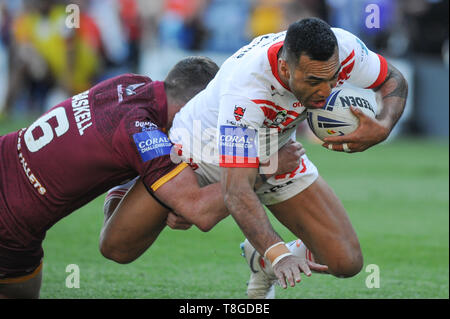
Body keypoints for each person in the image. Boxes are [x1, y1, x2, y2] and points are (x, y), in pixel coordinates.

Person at [104, 17, 408, 299]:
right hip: (202, 149)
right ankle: (130, 178)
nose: (327, 92)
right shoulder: (247, 90)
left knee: (346, 261)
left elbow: (394, 79)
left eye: (332, 79)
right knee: (119, 247)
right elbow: (236, 192)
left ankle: (258, 259)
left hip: (274, 148)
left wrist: (383, 125)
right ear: (287, 69)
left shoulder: (345, 50)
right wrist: (279, 254)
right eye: (314, 81)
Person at [0, 56, 223, 299]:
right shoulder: (143, 131)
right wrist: (260, 174)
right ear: (193, 107)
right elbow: (199, 210)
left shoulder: (131, 84)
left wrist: (161, 194)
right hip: (11, 223)